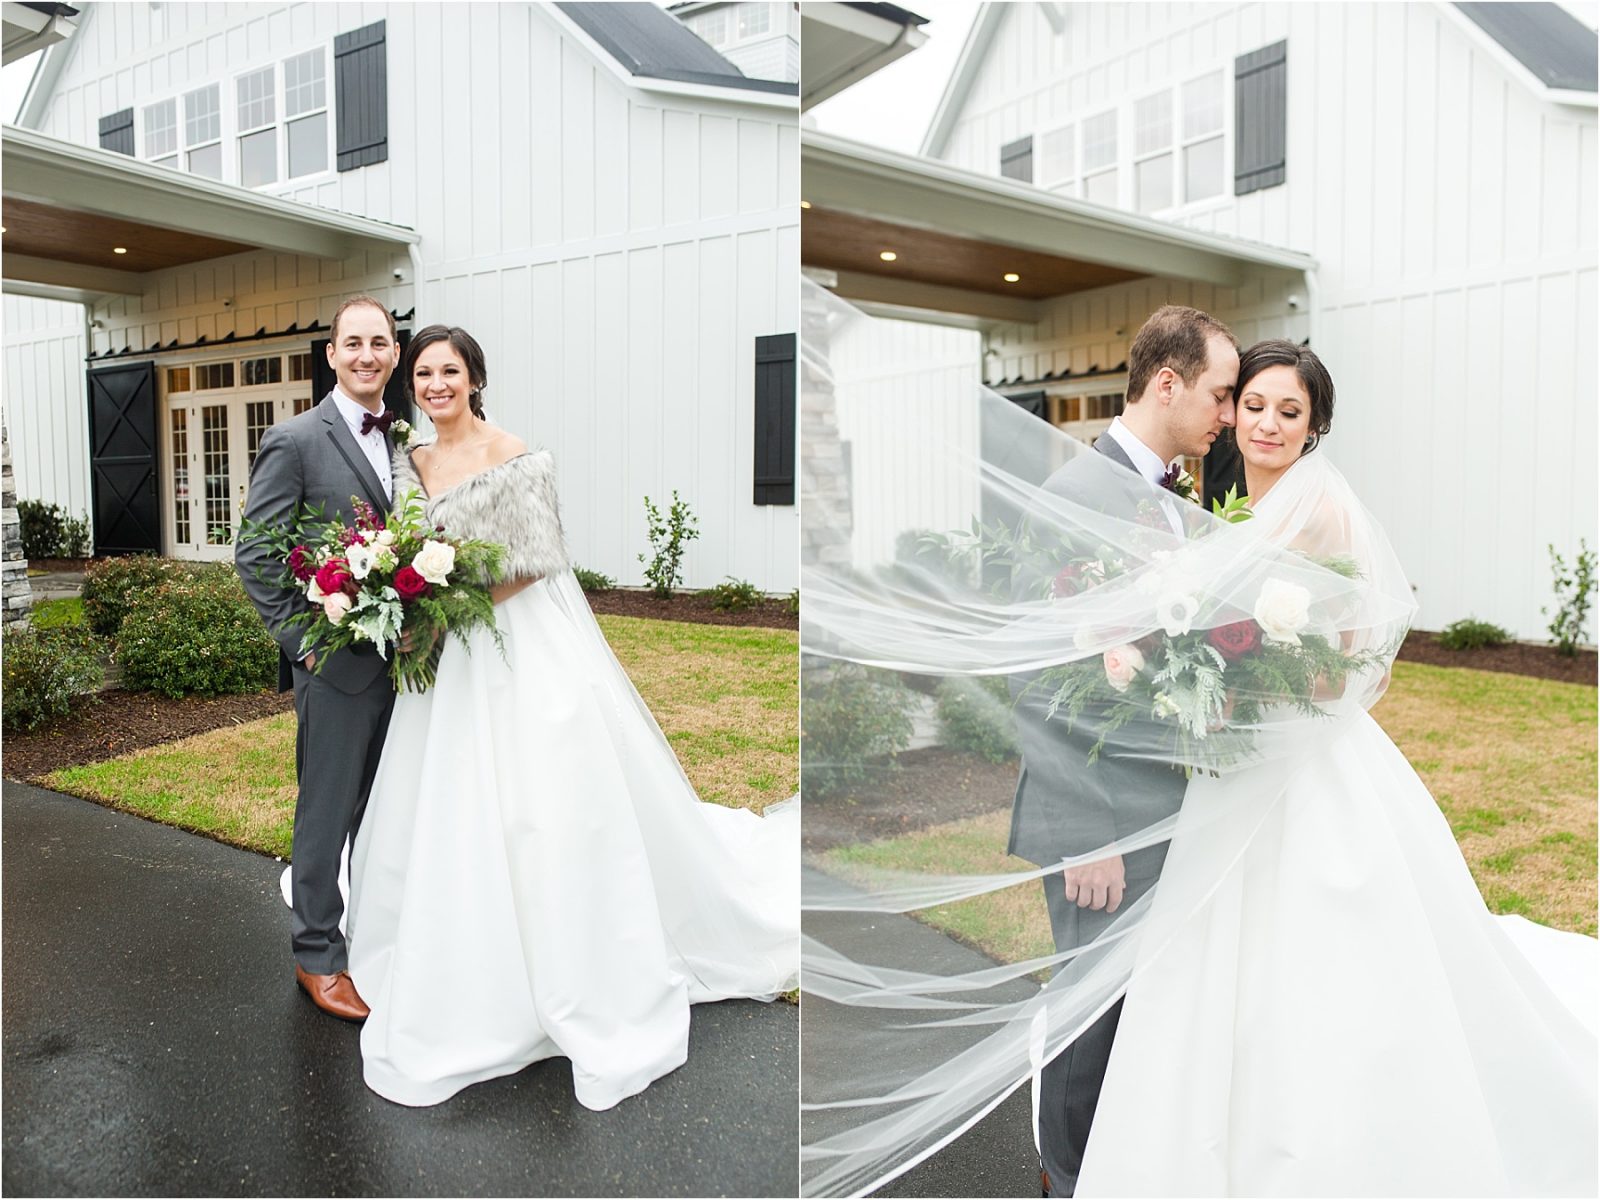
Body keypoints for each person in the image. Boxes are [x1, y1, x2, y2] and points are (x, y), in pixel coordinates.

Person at [1070, 341, 1598, 1195]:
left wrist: (1257, 685)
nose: (1268, 424)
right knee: (1213, 962)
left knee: (1323, 956)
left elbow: (1350, 658)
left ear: (1313, 429)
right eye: (1255, 406)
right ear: (1233, 412)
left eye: (1290, 413)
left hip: (1303, 760)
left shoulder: (1320, 511)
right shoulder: (1228, 500)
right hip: (1230, 765)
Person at [342, 324, 798, 1109]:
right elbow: (406, 547)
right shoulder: (409, 462)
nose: (435, 384)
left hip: (517, 639)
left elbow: (536, 558)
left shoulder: (519, 454)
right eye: (423, 373)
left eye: (449, 371)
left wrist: (454, 605)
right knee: (448, 798)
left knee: (546, 797)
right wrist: (410, 596)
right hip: (445, 658)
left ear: (475, 379)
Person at [1007, 305, 1239, 1198]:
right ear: (1168, 383)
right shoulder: (1075, 496)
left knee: (1143, 1005)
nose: (1227, 413)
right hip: (1099, 812)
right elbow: (1037, 676)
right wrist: (1084, 832)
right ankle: (1061, 1178)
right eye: (1220, 395)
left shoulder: (1173, 497)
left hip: (1168, 801)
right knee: (1089, 1013)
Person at [236, 294, 401, 1023]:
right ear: (331, 355)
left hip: (404, 664)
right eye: (353, 343)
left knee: (384, 812)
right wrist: (307, 649)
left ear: (393, 354)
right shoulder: (297, 439)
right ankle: (317, 956)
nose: (367, 354)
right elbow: (257, 552)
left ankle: (371, 935)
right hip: (334, 667)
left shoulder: (404, 439)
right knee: (326, 813)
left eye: (380, 342)